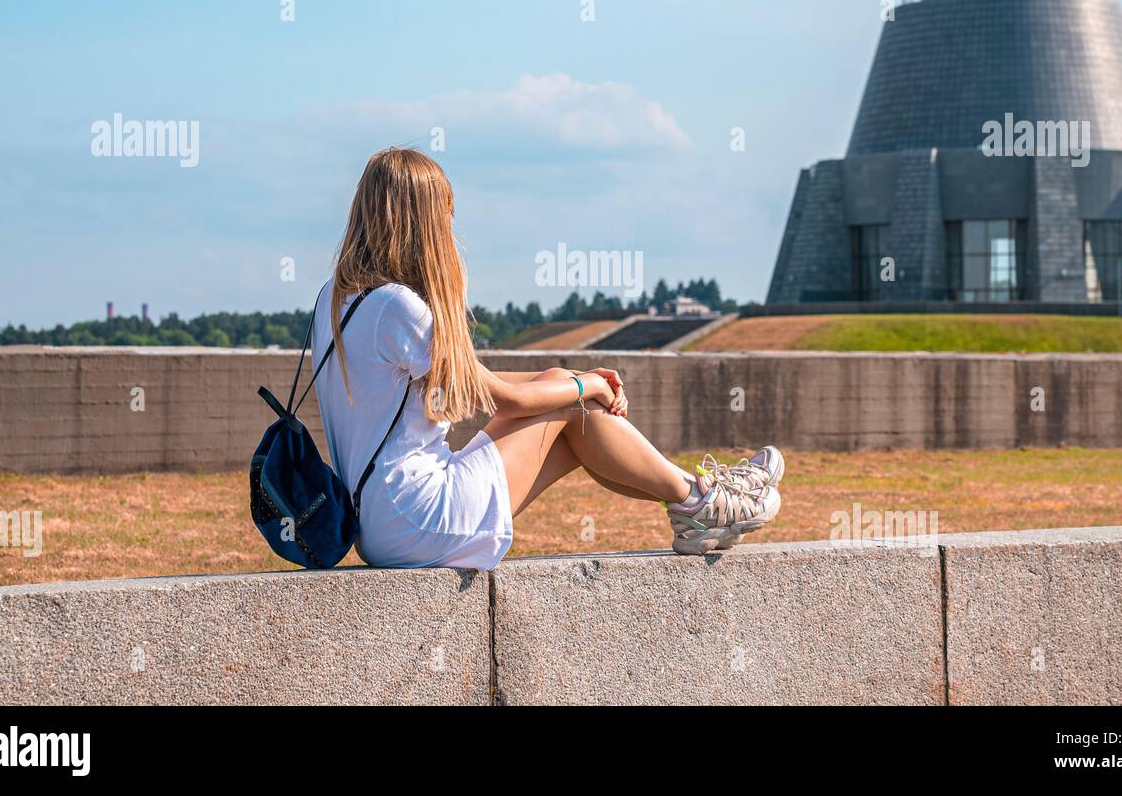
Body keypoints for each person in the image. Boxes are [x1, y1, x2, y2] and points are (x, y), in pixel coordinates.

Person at [312, 147, 783, 570]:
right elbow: (507, 401)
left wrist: (570, 377)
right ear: (426, 223)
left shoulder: (335, 300)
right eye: (446, 218)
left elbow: (476, 383)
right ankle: (704, 500)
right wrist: (588, 387)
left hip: (377, 526)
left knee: (568, 408)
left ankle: (696, 506)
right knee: (575, 405)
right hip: (421, 515)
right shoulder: (399, 307)